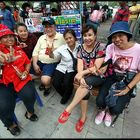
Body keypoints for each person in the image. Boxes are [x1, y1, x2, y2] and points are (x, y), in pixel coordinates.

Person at [58, 24, 106, 132]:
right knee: (83, 87)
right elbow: (79, 65)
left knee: (85, 84)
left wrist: (82, 74)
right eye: (85, 35)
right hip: (86, 77)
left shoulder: (101, 47)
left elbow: (96, 68)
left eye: (90, 35)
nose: (87, 38)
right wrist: (81, 77)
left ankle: (68, 109)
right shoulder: (80, 48)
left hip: (99, 76)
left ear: (95, 35)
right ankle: (83, 117)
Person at [94, 21, 140, 127]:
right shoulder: (111, 47)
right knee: (100, 101)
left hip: (128, 81)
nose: (117, 39)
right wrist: (103, 68)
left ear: (127, 35)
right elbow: (107, 60)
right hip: (113, 77)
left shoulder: (138, 49)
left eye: (120, 35)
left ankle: (110, 113)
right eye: (114, 37)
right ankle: (102, 111)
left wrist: (128, 88)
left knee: (116, 108)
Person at [0, 24, 38, 136]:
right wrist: (2, 62)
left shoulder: (19, 50)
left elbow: (27, 62)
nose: (9, 39)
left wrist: (26, 72)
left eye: (11, 36)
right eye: (5, 37)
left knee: (30, 95)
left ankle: (30, 113)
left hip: (21, 78)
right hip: (3, 83)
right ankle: (10, 124)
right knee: (3, 106)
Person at [32, 17, 66, 96]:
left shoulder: (62, 37)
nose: (48, 29)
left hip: (51, 63)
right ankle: (44, 77)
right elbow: (35, 52)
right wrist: (35, 64)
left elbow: (69, 47)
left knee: (45, 80)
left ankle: (47, 85)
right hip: (39, 61)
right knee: (27, 75)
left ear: (55, 26)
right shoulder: (41, 37)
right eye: (46, 27)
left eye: (50, 26)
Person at [48, 28, 80, 104]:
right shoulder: (62, 48)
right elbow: (53, 56)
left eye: (70, 38)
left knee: (67, 83)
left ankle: (66, 95)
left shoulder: (80, 47)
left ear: (74, 38)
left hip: (72, 69)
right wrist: (50, 52)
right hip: (61, 67)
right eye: (66, 39)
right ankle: (65, 94)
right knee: (55, 83)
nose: (69, 40)